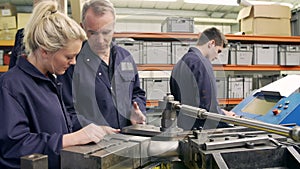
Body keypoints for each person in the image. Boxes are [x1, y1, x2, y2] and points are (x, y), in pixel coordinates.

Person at [0, 1, 119, 169]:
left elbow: (63, 121)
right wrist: (71, 139)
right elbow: (14, 147)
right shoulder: (11, 86)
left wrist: (92, 128)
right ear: (44, 51)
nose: (73, 62)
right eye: (68, 57)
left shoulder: (50, 81)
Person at [58, 0, 146, 129]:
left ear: (114, 27)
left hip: (127, 138)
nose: (100, 40)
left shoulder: (125, 57)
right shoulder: (71, 62)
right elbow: (66, 111)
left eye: (106, 32)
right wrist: (94, 129)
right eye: (92, 33)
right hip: (91, 145)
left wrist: (137, 109)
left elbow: (137, 93)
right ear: (82, 28)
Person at [170, 27, 235, 130]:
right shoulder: (201, 63)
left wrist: (222, 112)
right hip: (200, 129)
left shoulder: (181, 62)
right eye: (218, 51)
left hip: (184, 127)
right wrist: (226, 118)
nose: (217, 57)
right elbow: (209, 107)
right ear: (211, 43)